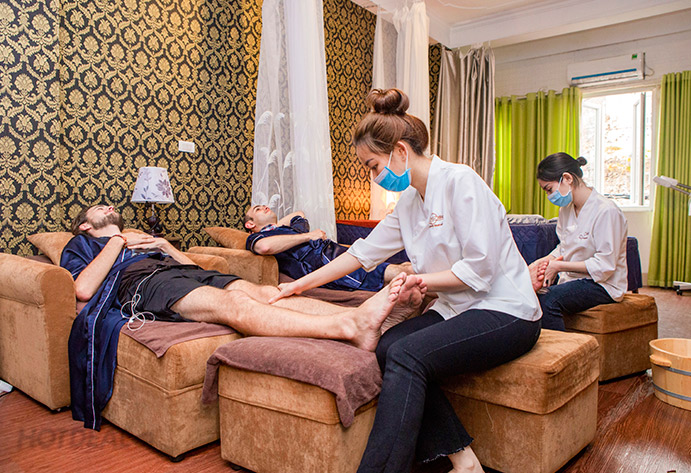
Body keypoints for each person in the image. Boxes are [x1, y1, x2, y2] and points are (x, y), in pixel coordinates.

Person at [271, 89, 542, 473]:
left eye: (373, 166)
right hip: (458, 309)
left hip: (507, 309)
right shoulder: (410, 203)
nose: (373, 176)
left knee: (407, 354)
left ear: (400, 151)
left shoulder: (460, 182)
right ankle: (465, 461)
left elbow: (480, 270)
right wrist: (297, 285)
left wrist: (421, 281)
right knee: (387, 347)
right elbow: (360, 253)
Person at [60, 204, 423, 430]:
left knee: (268, 292)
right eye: (99, 208)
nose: (109, 206)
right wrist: (117, 241)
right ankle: (347, 326)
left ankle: (365, 317)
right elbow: (84, 289)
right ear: (85, 226)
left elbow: (192, 268)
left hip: (178, 272)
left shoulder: (146, 241)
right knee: (231, 305)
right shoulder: (81, 245)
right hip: (144, 284)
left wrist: (164, 245)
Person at [528, 152, 628, 331]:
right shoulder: (566, 210)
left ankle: (562, 348)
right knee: (530, 295)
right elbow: (564, 247)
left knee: (548, 300)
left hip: (603, 284)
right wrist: (542, 262)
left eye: (549, 189)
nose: (549, 196)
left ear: (567, 178)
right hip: (574, 279)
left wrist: (558, 267)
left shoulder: (606, 211)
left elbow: (605, 265)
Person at [244, 206, 412, 291]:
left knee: (405, 265)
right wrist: (308, 236)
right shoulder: (256, 238)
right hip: (322, 262)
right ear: (250, 224)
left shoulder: (286, 230)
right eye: (258, 209)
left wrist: (275, 226)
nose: (264, 207)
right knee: (402, 272)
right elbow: (265, 247)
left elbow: (299, 214)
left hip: (334, 251)